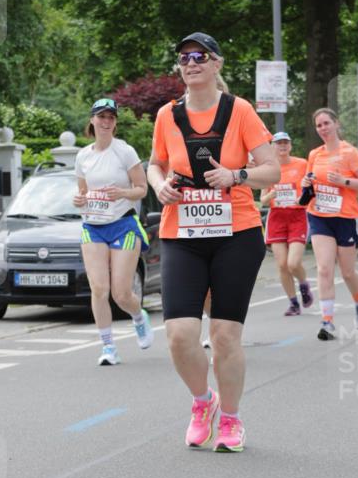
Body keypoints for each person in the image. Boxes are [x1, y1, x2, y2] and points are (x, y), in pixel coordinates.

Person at [147, 33, 279, 452]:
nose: (191, 63)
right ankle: (203, 402)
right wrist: (159, 186)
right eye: (184, 57)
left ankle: (233, 421)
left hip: (236, 234)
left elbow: (272, 170)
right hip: (181, 233)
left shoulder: (239, 111)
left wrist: (236, 176)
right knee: (180, 335)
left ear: (216, 63)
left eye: (199, 55)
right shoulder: (167, 116)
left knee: (224, 335)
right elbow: (155, 164)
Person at [73, 98, 154, 365]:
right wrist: (79, 200)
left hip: (123, 224)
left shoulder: (125, 152)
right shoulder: (83, 156)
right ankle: (108, 347)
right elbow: (83, 192)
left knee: (121, 293)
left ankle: (138, 316)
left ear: (115, 122)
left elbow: (142, 189)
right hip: (93, 227)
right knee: (98, 289)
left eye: (111, 117)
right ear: (92, 120)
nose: (106, 122)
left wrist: (122, 192)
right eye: (101, 117)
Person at [300, 108, 358, 340]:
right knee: (325, 268)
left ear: (336, 124)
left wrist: (344, 181)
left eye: (327, 123)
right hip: (319, 215)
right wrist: (305, 181)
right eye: (319, 125)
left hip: (347, 217)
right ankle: (327, 322)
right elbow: (309, 180)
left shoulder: (350, 153)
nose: (323, 128)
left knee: (348, 272)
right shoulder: (314, 154)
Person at [260, 131, 314, 316]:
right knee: (282, 264)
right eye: (278, 143)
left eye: (285, 143)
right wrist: (271, 194)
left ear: (290, 146)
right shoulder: (268, 168)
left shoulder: (301, 164)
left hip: (297, 215)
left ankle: (304, 284)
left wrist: (302, 198)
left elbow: (310, 190)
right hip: (277, 217)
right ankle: (293, 303)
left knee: (293, 263)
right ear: (272, 147)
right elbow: (263, 200)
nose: (282, 146)